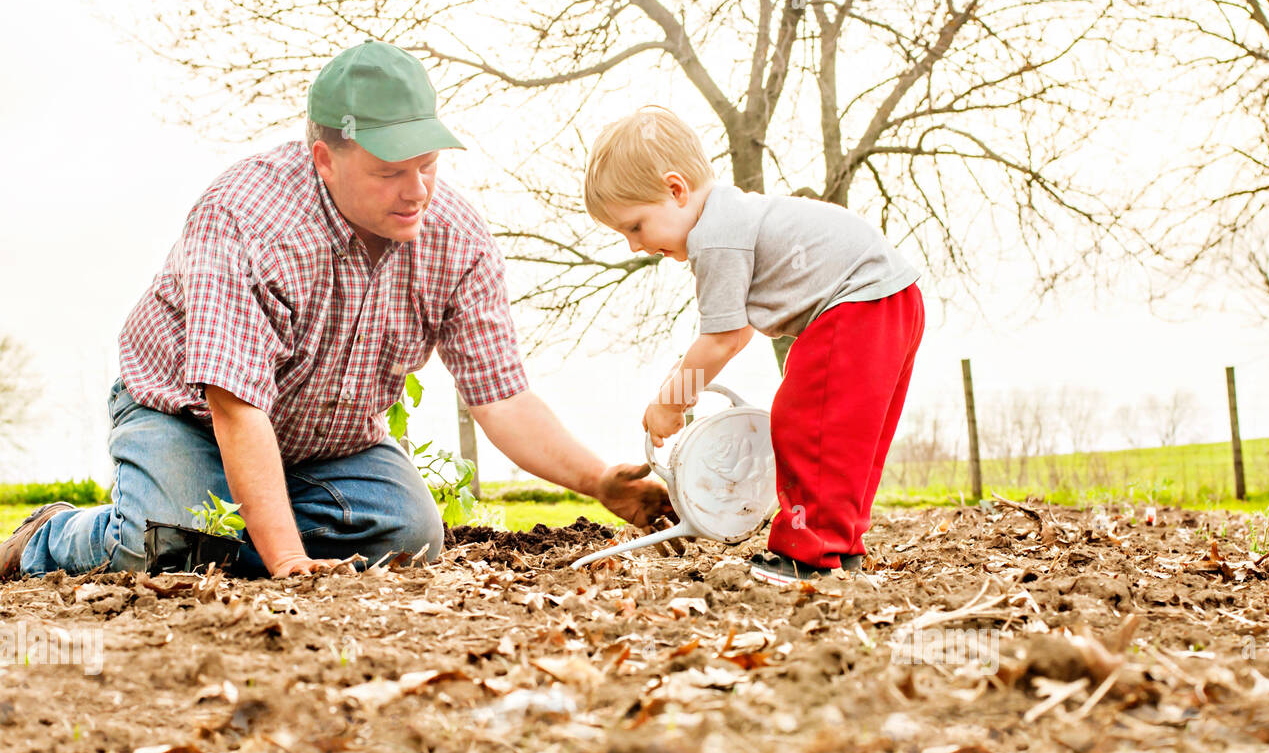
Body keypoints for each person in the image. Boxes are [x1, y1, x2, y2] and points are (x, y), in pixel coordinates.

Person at [0, 41, 672, 581]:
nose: (418, 191)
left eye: (429, 164)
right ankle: (51, 536)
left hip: (330, 439)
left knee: (409, 535)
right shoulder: (244, 219)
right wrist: (290, 564)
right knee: (166, 548)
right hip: (190, 417)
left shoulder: (456, 236)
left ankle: (234, 532)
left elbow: (502, 397)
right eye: (390, 172)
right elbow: (236, 408)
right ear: (326, 158)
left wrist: (596, 480)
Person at [583, 105, 925, 584]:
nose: (634, 246)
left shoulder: (715, 237)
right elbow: (736, 331)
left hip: (856, 303)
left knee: (807, 423)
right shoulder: (733, 216)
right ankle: (837, 544)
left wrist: (671, 401)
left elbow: (723, 339)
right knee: (848, 438)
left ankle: (808, 552)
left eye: (635, 226)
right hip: (892, 298)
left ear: (676, 190)